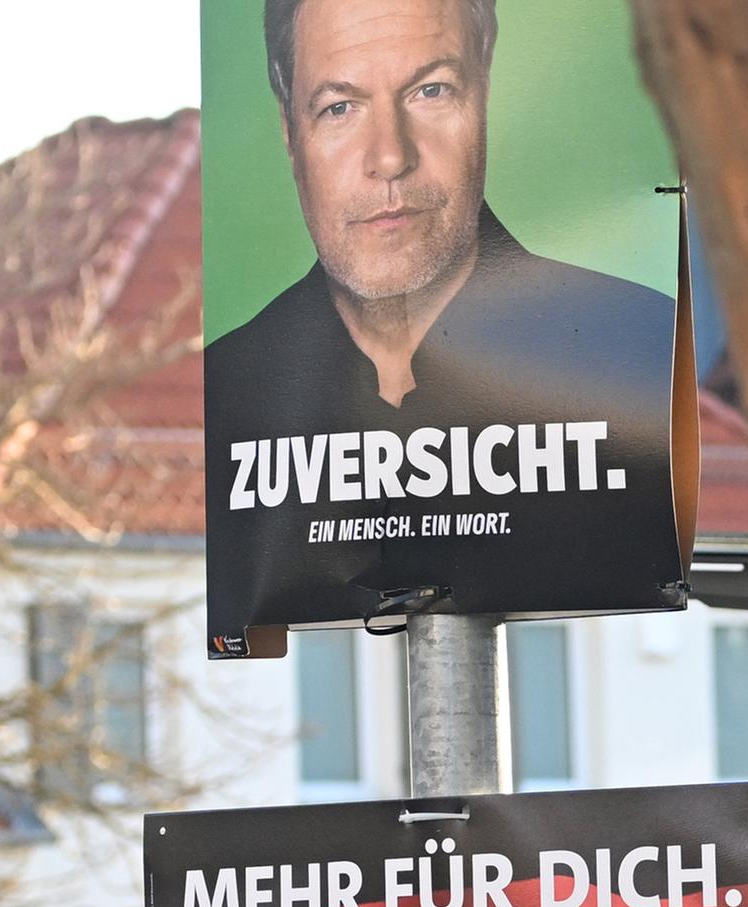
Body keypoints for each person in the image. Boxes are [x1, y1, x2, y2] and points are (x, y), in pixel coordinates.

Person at [204, 0, 681, 635]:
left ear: (485, 95)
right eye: (339, 107)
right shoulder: (229, 393)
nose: (389, 157)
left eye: (430, 90)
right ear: (291, 136)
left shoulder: (644, 350)